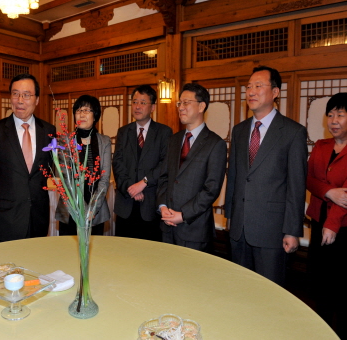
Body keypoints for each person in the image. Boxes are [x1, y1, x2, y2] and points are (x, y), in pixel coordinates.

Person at [224, 65, 308, 286]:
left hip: (272, 230)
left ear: (275, 92)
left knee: (269, 290)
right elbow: (233, 175)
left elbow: (296, 186)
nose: (251, 91)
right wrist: (229, 215)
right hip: (239, 227)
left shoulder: (293, 132)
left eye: (258, 86)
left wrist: (292, 230)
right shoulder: (240, 131)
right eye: (249, 86)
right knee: (239, 288)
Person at [0, 73, 56, 242]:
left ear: (37, 99)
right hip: (7, 216)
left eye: (26, 95)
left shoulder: (48, 131)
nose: (20, 100)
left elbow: (48, 169)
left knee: (37, 265)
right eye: (15, 94)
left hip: (38, 215)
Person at [157, 83, 227, 251]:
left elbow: (211, 189)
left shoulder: (215, 144)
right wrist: (162, 206)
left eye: (186, 102)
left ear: (201, 106)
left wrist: (183, 215)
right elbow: (164, 177)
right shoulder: (174, 140)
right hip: (167, 227)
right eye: (179, 103)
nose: (181, 108)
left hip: (195, 230)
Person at [306, 92, 347, 338]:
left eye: (340, 115)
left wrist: (332, 225)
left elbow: (346, 198)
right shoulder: (321, 147)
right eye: (330, 115)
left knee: (341, 286)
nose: (333, 120)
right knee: (319, 283)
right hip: (317, 220)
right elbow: (309, 180)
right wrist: (329, 191)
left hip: (342, 228)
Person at [113, 85, 172, 241]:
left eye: (143, 102)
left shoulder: (164, 132)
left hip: (150, 204)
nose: (137, 106)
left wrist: (143, 183)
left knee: (148, 256)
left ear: (152, 107)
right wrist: (130, 187)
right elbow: (117, 163)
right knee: (122, 254)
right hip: (126, 203)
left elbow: (164, 164)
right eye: (134, 102)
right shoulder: (123, 132)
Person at [55, 95, 111, 235]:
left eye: (87, 110)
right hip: (70, 210)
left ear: (95, 115)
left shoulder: (104, 141)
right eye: (78, 110)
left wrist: (92, 208)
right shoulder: (65, 141)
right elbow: (65, 179)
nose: (82, 114)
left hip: (96, 213)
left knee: (94, 254)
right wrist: (81, 208)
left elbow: (104, 179)